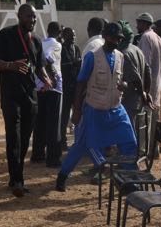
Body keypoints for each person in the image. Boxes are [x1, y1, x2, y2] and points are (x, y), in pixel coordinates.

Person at [56, 23, 138, 192]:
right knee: (83, 145)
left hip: (115, 109)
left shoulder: (120, 57)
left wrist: (123, 84)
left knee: (129, 142)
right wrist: (77, 110)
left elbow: (119, 81)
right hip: (95, 109)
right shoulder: (92, 57)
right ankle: (63, 175)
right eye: (113, 38)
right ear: (105, 37)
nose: (116, 42)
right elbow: (81, 83)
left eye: (118, 39)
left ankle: (128, 181)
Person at [0, 4, 52, 197]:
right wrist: (11, 65)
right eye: (28, 16)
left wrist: (47, 79)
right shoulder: (5, 35)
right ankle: (17, 180)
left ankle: (16, 176)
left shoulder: (37, 41)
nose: (32, 20)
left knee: (25, 139)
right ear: (19, 16)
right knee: (13, 137)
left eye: (34, 17)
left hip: (30, 96)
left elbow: (38, 66)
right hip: (10, 95)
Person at [32, 22, 63, 167]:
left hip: (39, 87)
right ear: (59, 32)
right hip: (52, 88)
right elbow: (48, 60)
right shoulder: (56, 44)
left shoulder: (41, 43)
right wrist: (51, 79)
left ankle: (37, 154)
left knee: (40, 122)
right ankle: (53, 159)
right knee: (53, 124)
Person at [135, 12, 161, 153]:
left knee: (145, 120)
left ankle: (143, 152)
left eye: (139, 23)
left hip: (148, 85)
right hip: (156, 85)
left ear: (145, 24)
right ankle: (154, 150)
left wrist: (143, 89)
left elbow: (144, 64)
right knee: (153, 120)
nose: (137, 25)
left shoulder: (146, 37)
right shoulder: (158, 38)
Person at [115, 20, 150, 130]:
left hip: (129, 101)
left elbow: (136, 79)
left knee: (129, 133)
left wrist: (143, 94)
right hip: (137, 99)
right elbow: (148, 72)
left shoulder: (123, 54)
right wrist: (146, 92)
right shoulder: (136, 49)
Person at [59, 27, 82, 150]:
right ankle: (62, 141)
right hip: (65, 87)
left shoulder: (76, 48)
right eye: (70, 35)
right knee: (64, 115)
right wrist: (74, 64)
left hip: (76, 87)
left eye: (74, 35)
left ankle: (79, 140)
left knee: (79, 113)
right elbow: (60, 66)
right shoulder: (61, 49)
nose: (73, 38)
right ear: (64, 36)